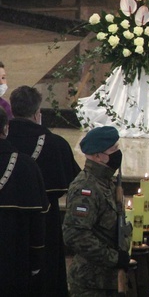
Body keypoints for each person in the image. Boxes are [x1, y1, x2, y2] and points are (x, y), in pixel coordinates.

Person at [8, 85, 80, 297]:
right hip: (45, 221)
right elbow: (75, 182)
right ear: (37, 113)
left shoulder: (4, 141)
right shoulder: (54, 144)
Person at [63, 126, 132, 296]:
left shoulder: (106, 181)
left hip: (108, 280)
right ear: (97, 156)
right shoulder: (86, 188)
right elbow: (75, 235)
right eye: (112, 149)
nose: (117, 153)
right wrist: (114, 258)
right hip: (91, 283)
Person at [0, 106, 49, 296]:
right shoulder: (26, 166)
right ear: (6, 129)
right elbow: (38, 219)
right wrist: (36, 261)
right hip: (15, 261)